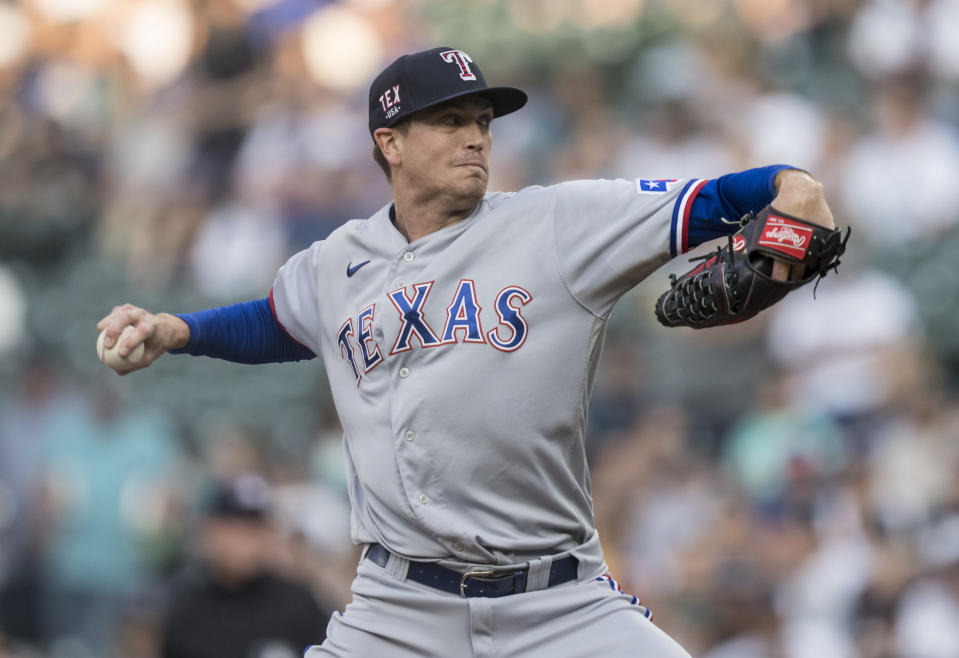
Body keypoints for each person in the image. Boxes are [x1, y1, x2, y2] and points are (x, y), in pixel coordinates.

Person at [98, 46, 837, 657]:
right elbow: (280, 322)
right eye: (450, 121)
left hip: (558, 603)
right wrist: (179, 331)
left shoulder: (557, 225)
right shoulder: (335, 263)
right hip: (398, 608)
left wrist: (790, 185)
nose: (476, 137)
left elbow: (709, 200)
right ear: (388, 142)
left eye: (482, 122)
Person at [160, 474, 332, 658]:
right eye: (235, 529)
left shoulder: (298, 603)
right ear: (211, 531)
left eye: (255, 529)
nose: (245, 543)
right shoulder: (186, 608)